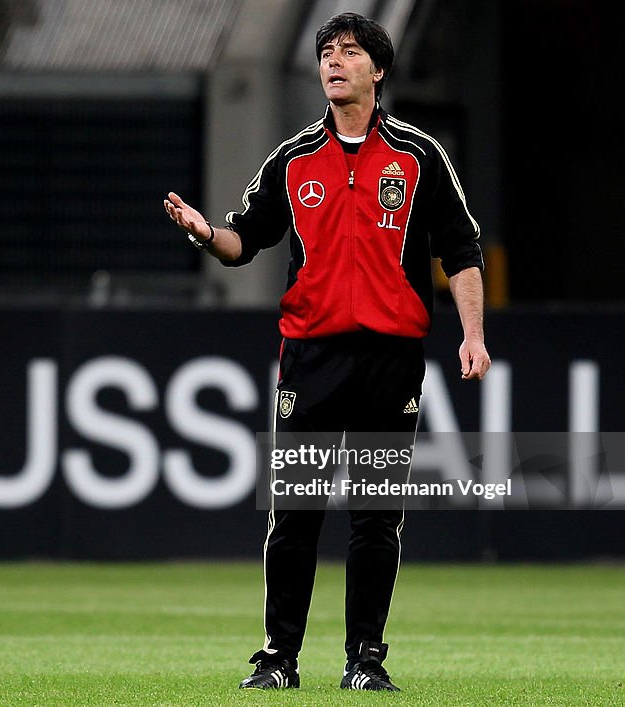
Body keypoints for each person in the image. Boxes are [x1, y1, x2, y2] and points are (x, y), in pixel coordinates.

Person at [163, 11, 490, 693]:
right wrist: (203, 233)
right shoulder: (292, 159)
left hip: (389, 361)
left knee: (376, 518)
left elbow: (461, 250)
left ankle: (365, 660)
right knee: (296, 514)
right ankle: (278, 658)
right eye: (325, 54)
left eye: (348, 52)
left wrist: (473, 334)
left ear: (377, 70)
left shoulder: (419, 156)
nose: (333, 63)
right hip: (309, 360)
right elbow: (242, 239)